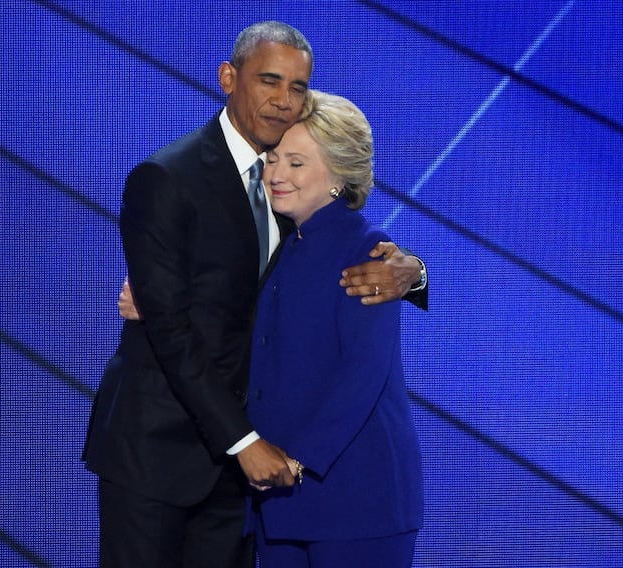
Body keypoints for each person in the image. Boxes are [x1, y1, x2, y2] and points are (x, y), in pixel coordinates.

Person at [85, 21, 426, 568]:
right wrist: (246, 443)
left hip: (252, 478)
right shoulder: (167, 177)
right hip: (161, 453)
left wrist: (415, 271)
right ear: (228, 77)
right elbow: (172, 327)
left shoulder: (299, 200)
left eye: (298, 88)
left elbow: (347, 262)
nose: (284, 100)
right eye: (270, 80)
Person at [245, 90, 423, 567]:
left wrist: (297, 460)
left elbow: (362, 373)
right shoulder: (277, 241)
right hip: (277, 498)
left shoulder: (371, 253)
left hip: (355, 498)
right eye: (274, 158)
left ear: (339, 177)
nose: (277, 175)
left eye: (297, 163)